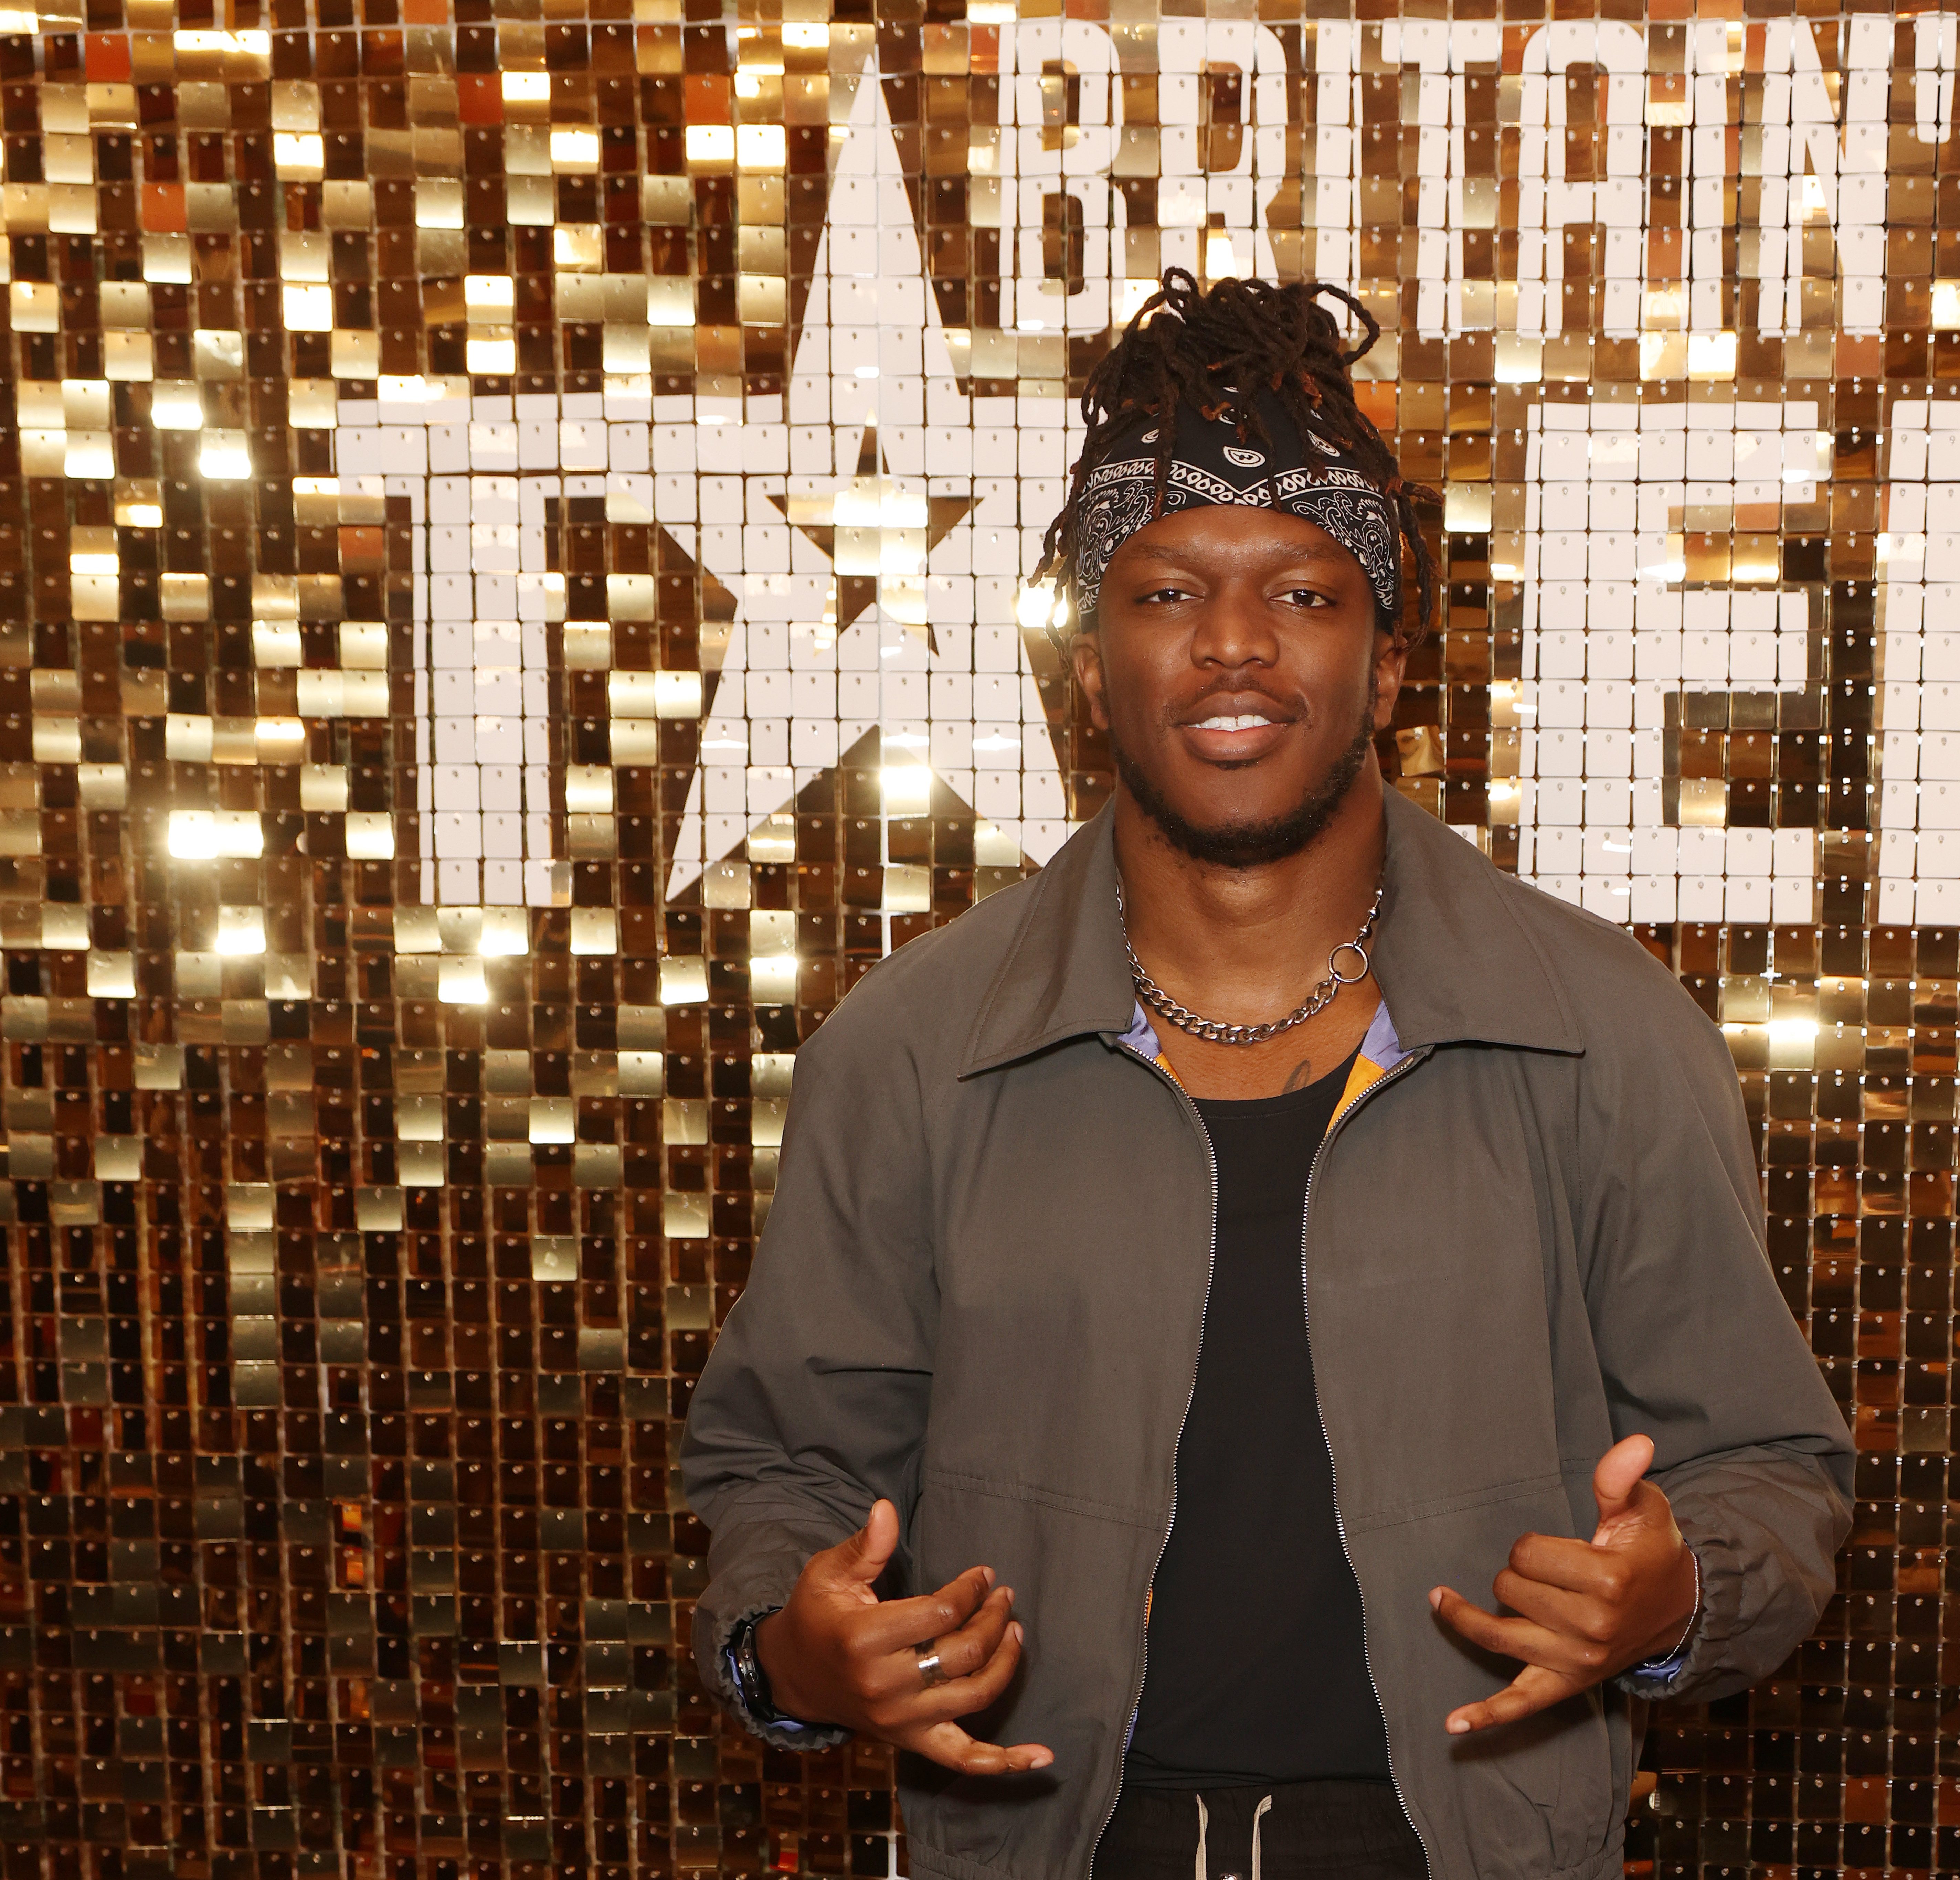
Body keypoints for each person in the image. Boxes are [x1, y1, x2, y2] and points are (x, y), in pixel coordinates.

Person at [680, 271, 1854, 1880]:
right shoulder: (905, 1054)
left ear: (1385, 669)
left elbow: (1768, 1469)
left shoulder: (1604, 1031)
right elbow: (783, 1468)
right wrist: (791, 1650)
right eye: (1164, 594)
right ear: (1092, 668)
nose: (1233, 644)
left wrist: (1679, 1595)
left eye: (1301, 594)